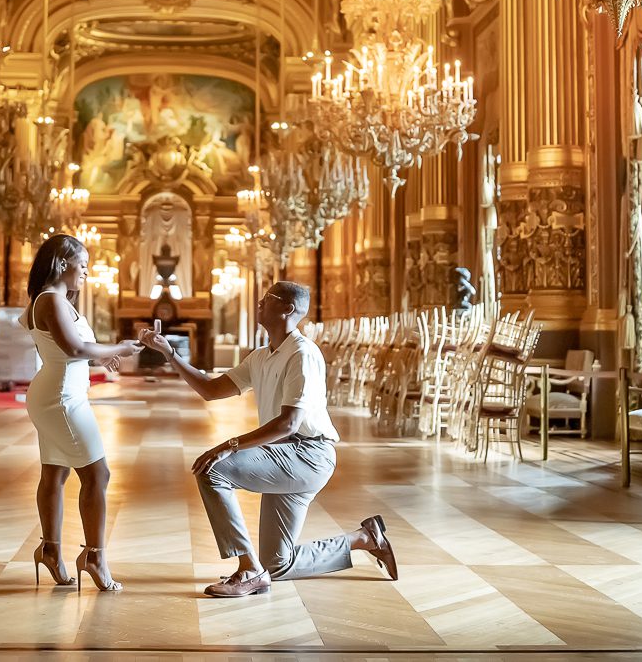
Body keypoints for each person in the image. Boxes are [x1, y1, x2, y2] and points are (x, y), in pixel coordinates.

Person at [139, 280, 398, 598]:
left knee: (212, 469)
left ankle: (248, 569)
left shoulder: (302, 355)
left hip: (308, 454)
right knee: (278, 564)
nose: (259, 302)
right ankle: (365, 539)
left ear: (288, 309)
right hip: (286, 455)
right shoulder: (261, 356)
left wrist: (229, 445)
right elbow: (210, 389)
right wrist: (169, 354)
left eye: (268, 299)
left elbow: (289, 423)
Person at [23, 234, 144, 592]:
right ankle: (94, 556)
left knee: (55, 474)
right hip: (61, 399)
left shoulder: (49, 301)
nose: (87, 274)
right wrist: (120, 345)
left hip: (57, 391)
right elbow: (73, 346)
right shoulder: (51, 301)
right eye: (83, 266)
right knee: (98, 475)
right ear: (62, 263)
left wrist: (102, 357)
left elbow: (66, 349)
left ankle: (50, 550)